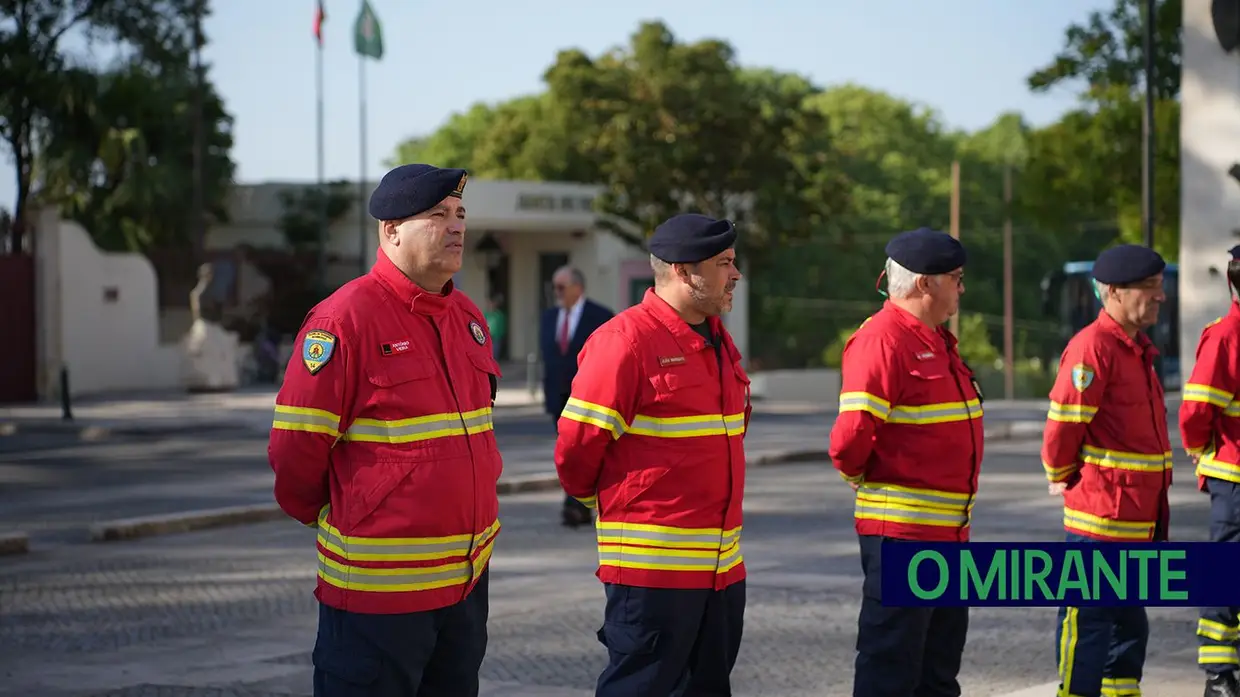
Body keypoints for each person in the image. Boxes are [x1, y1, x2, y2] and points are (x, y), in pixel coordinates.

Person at [267, 164, 503, 697]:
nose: (457, 226)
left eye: (461, 214)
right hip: (379, 598)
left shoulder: (467, 317)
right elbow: (294, 456)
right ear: (390, 230)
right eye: (438, 215)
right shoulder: (343, 321)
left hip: (464, 590)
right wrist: (350, 519)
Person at [554, 213, 750, 697]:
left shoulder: (717, 338)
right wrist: (610, 508)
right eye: (724, 263)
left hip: (721, 571)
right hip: (652, 575)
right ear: (684, 272)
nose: (736, 274)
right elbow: (576, 453)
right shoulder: (624, 343)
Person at [828, 227, 984, 697]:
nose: (961, 287)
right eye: (955, 278)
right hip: (903, 538)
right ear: (924, 284)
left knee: (937, 673)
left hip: (948, 537)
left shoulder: (937, 341)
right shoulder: (883, 340)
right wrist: (857, 475)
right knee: (891, 671)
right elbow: (850, 438)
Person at [1040, 243, 1173, 697]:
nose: (1161, 297)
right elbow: (1062, 429)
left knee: (1129, 621)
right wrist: (1060, 475)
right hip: (1101, 519)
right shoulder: (1092, 348)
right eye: (1150, 288)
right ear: (1114, 292)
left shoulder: (1137, 350)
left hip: (1136, 519)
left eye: (1161, 286)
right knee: (1090, 621)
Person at [1180, 245, 1240, 697]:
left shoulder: (1225, 336)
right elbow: (1198, 410)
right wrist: (1202, 449)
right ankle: (1219, 676)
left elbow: (1198, 411)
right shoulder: (1226, 337)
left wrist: (1201, 449)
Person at [539, 265, 614, 527]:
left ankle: (576, 505)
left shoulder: (600, 316)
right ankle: (575, 503)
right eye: (554, 287)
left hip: (589, 398)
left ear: (577, 287)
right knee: (568, 452)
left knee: (586, 452)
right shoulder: (549, 317)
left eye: (561, 287)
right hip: (557, 398)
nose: (556, 293)